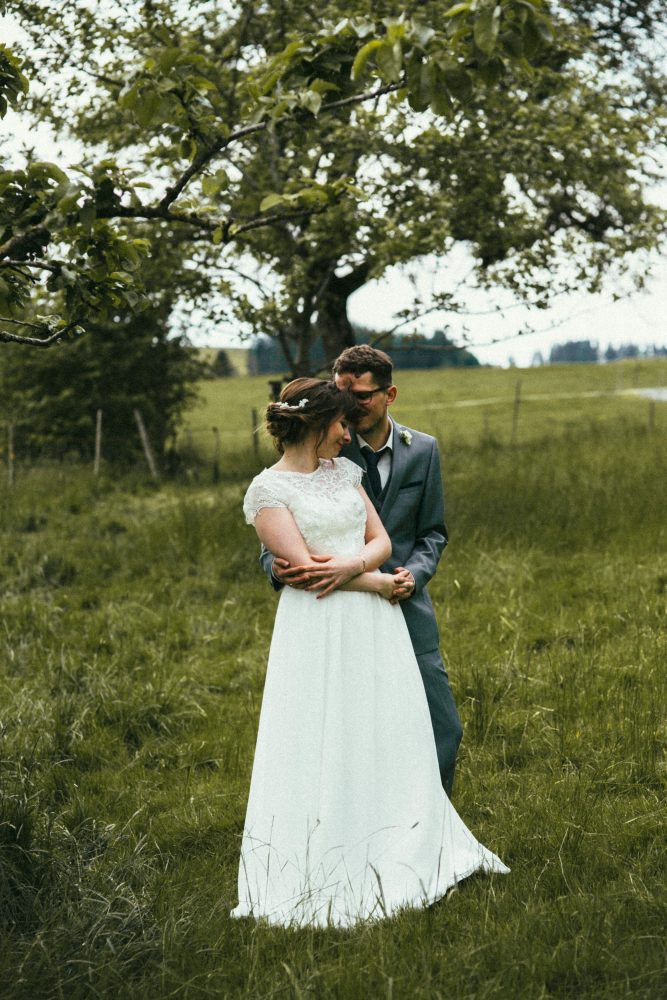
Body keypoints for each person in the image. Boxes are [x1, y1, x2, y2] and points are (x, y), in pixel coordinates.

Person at [232, 377, 508, 928]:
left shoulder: (345, 473)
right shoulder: (267, 491)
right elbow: (304, 573)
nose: (346, 432)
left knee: (386, 729)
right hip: (319, 627)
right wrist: (375, 583)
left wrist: (355, 566)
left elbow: (379, 541)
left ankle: (401, 840)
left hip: (372, 627)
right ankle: (329, 850)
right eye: (339, 424)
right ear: (316, 425)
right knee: (324, 733)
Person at [264, 346, 462, 797]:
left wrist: (415, 573)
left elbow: (433, 532)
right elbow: (277, 533)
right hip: (337, 617)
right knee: (356, 737)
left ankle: (434, 827)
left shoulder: (423, 451)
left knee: (442, 727)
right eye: (342, 396)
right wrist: (278, 567)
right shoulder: (318, 455)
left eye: (363, 396)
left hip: (407, 608)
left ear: (389, 393)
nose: (351, 408)